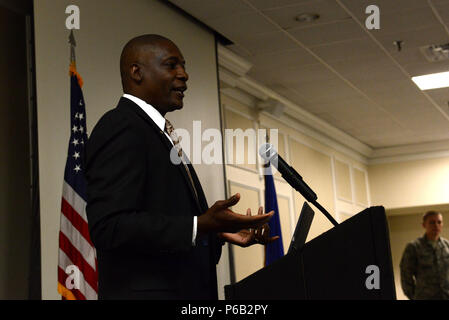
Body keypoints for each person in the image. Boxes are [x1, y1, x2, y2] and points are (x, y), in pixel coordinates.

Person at [84, 34, 278, 300]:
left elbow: (158, 216)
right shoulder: (121, 126)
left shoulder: (156, 131)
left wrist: (215, 233)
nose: (184, 74)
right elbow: (110, 226)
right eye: (171, 65)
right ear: (136, 72)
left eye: (184, 66)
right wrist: (198, 225)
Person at [400, 210, 449, 300]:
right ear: (424, 225)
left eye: (439, 222)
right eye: (432, 222)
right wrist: (415, 297)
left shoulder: (447, 246)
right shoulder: (414, 247)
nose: (436, 225)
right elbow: (405, 276)